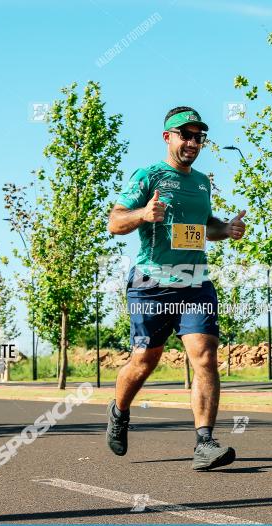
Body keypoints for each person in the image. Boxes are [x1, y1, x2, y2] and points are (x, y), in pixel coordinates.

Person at [106, 106, 247, 471]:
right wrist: (141, 215)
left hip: (195, 281)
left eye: (198, 136)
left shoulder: (201, 182)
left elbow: (205, 227)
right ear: (168, 137)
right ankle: (119, 411)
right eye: (185, 134)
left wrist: (225, 229)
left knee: (204, 356)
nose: (192, 142)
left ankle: (205, 443)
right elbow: (115, 222)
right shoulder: (149, 175)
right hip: (151, 283)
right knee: (144, 362)